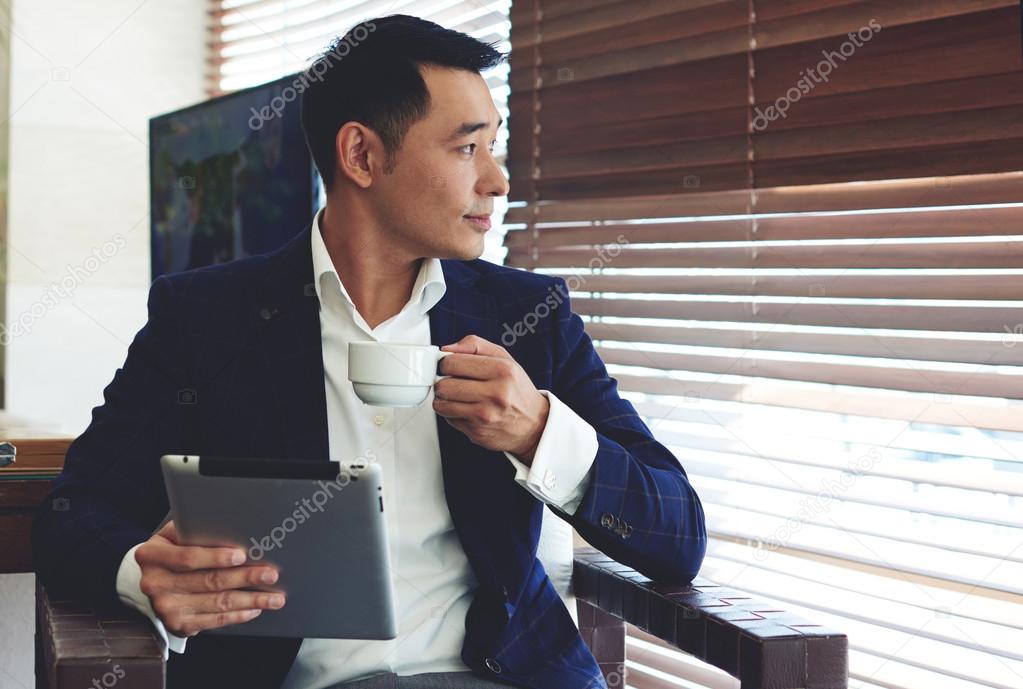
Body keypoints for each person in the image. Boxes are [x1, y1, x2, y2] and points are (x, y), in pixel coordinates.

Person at [31, 14, 706, 689]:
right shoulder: (206, 318)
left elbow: (677, 537)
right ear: (360, 155)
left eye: (493, 146)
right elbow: (74, 511)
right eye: (467, 148)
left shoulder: (528, 318)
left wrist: (538, 431)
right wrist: (142, 574)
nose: (498, 180)